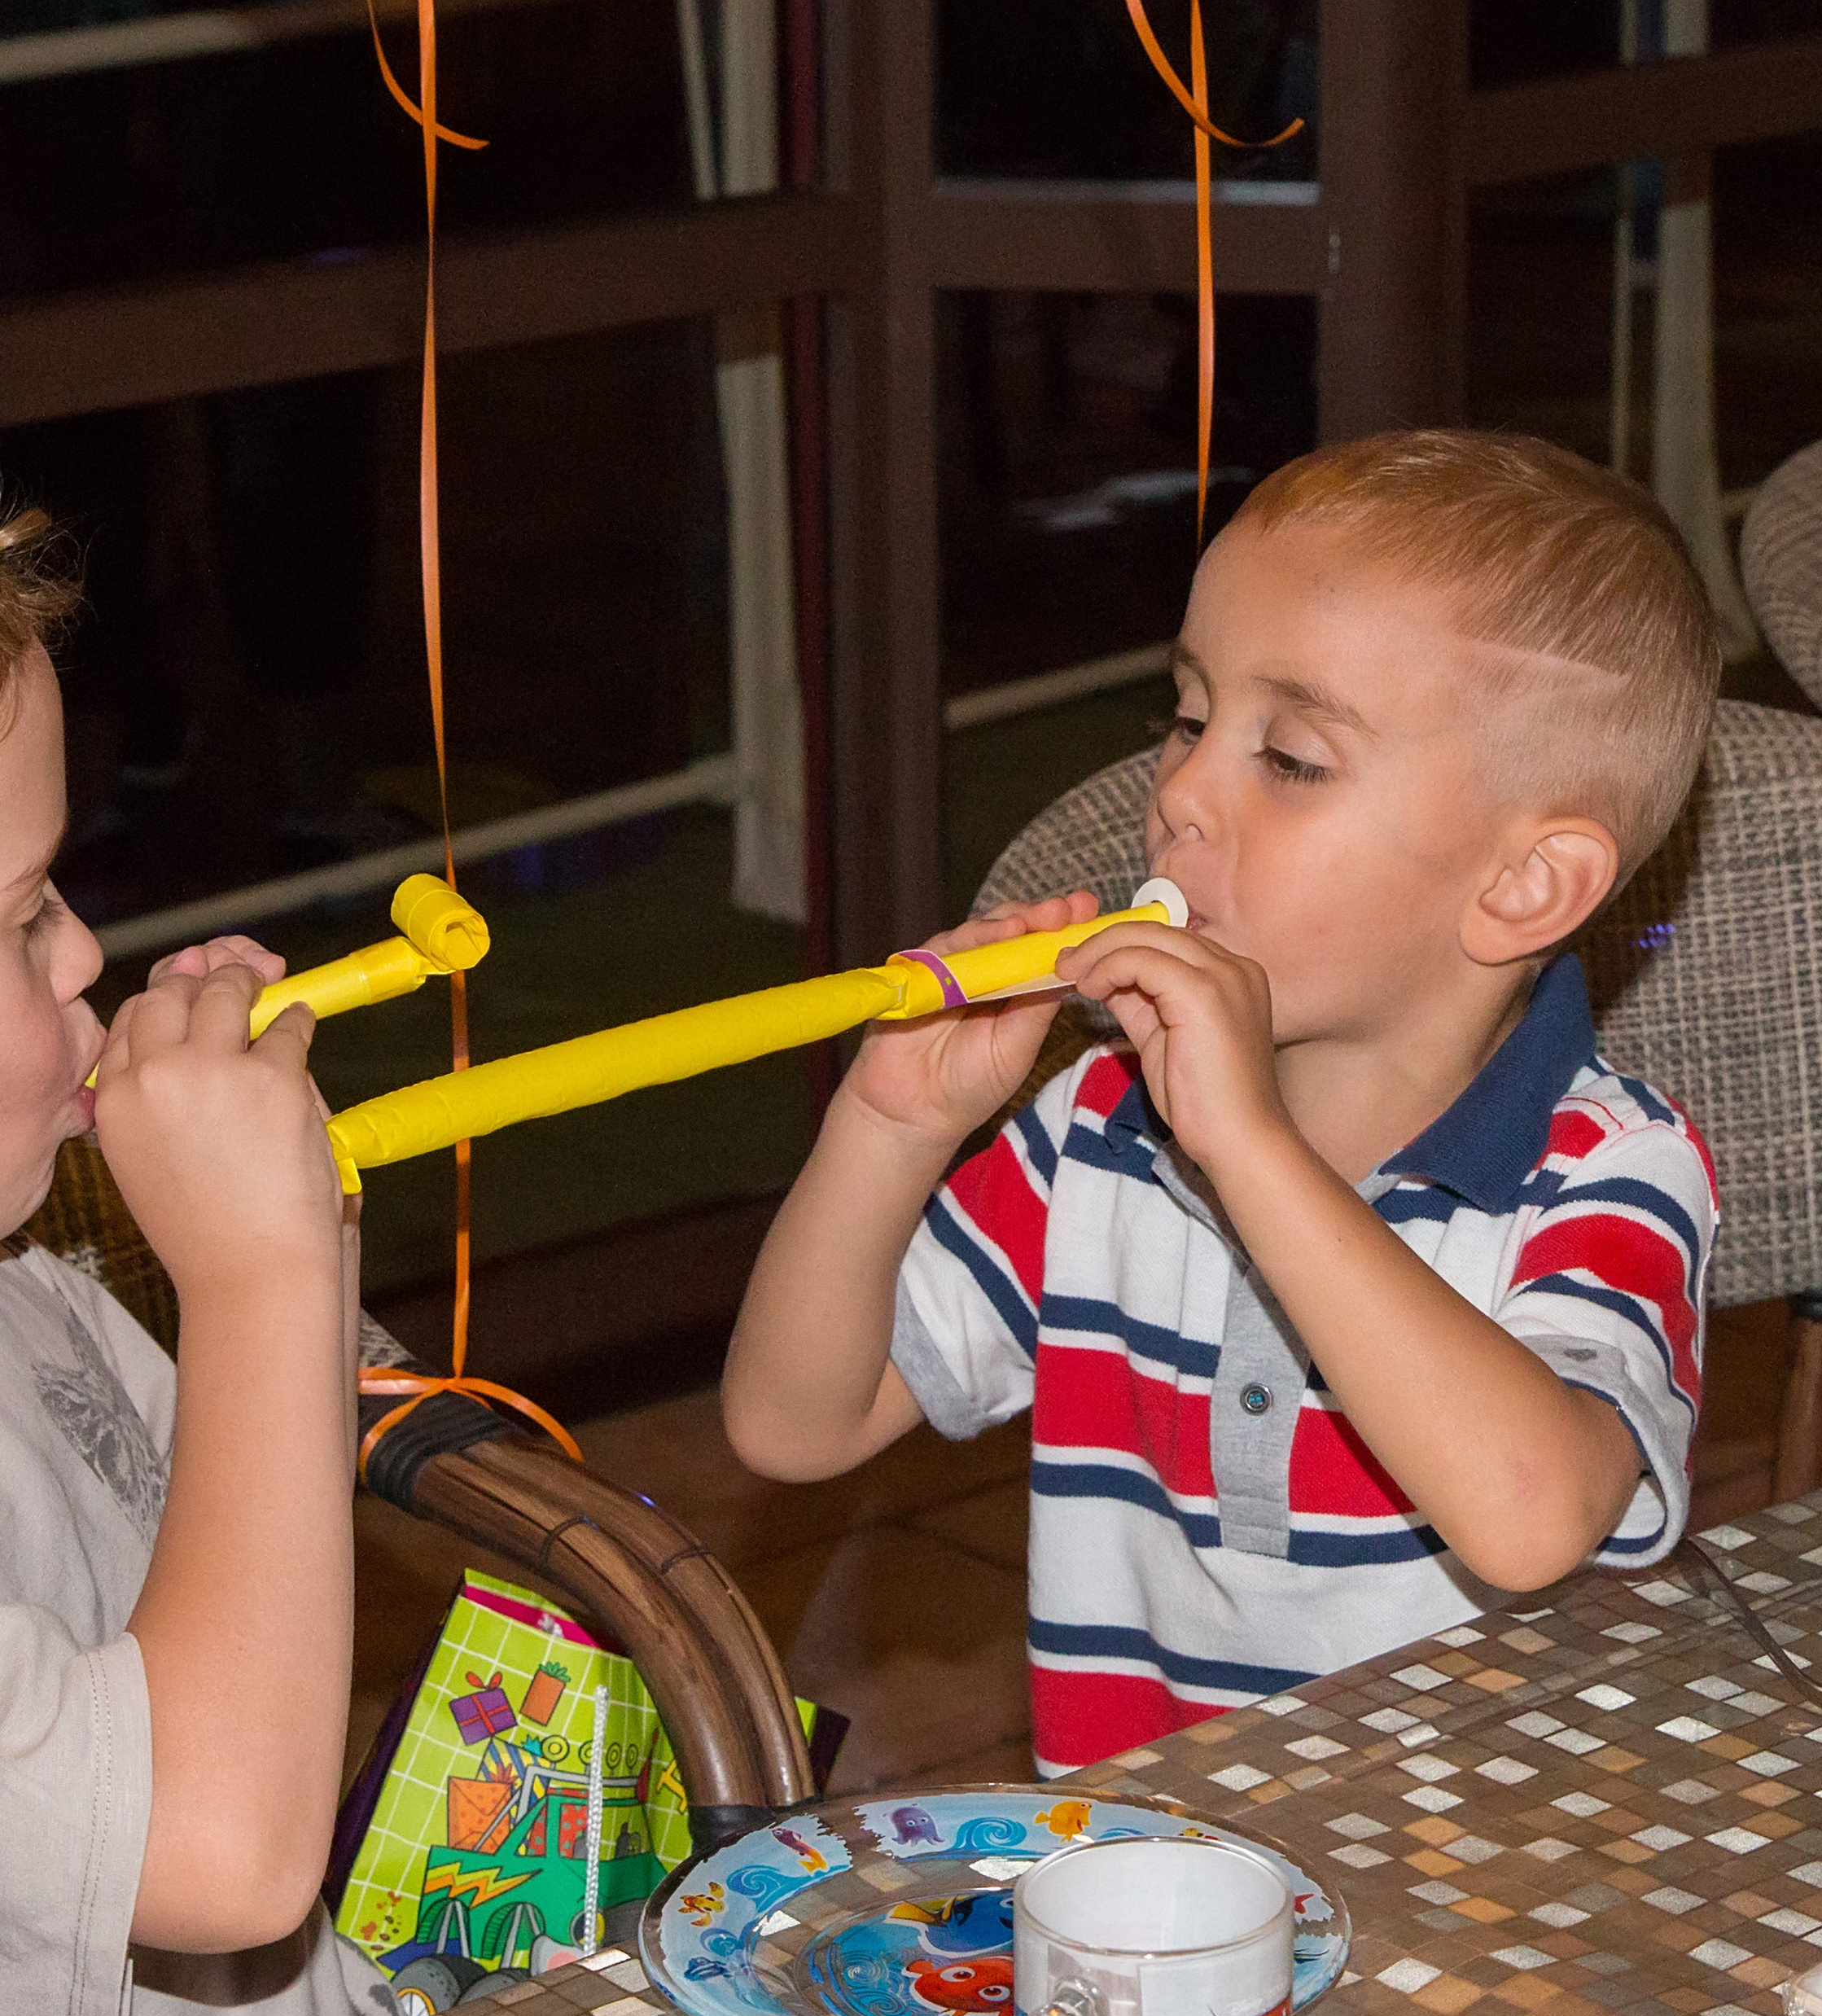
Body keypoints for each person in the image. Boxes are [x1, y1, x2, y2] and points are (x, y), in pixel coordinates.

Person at [724, 429, 1721, 1776]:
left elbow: (1533, 1516)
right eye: (1191, 719)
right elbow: (791, 1425)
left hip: (1490, 1911)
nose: (1182, 793)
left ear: (1523, 886)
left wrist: (1247, 1143)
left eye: (1291, 757)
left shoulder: (1606, 1169)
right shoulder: (1098, 1135)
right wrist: (890, 1127)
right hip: (1151, 1896)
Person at [0, 507, 400, 2016]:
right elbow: (221, 1851)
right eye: (24, 916)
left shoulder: (29, 1270)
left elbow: (244, 1538)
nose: (87, 951)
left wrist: (291, 1214)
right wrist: (254, 1278)